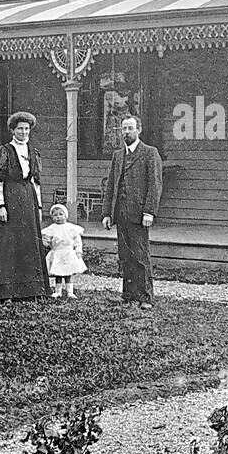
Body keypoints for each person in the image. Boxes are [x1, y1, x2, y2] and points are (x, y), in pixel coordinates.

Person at [0, 111, 51, 301]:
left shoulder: (33, 151)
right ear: (12, 131)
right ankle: (4, 290)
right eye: (20, 129)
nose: (24, 132)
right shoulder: (5, 151)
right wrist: (2, 206)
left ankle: (30, 290)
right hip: (10, 196)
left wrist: (39, 207)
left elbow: (36, 182)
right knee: (8, 242)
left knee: (28, 241)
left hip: (28, 198)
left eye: (26, 129)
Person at [101, 114, 162, 309]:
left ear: (139, 130)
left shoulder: (150, 153)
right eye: (123, 129)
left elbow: (155, 184)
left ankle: (145, 297)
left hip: (139, 214)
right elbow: (111, 185)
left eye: (130, 128)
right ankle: (128, 294)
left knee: (140, 255)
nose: (126, 132)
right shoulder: (118, 155)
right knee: (125, 255)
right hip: (121, 213)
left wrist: (149, 211)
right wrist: (107, 213)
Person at [41, 203, 86, 299]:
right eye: (55, 215)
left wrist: (78, 250)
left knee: (68, 273)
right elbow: (47, 238)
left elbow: (77, 241)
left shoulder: (71, 228)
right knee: (58, 273)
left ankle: (70, 291)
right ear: (52, 217)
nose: (58, 217)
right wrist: (46, 241)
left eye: (61, 214)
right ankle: (58, 291)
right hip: (57, 253)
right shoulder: (52, 228)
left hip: (68, 252)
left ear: (66, 215)